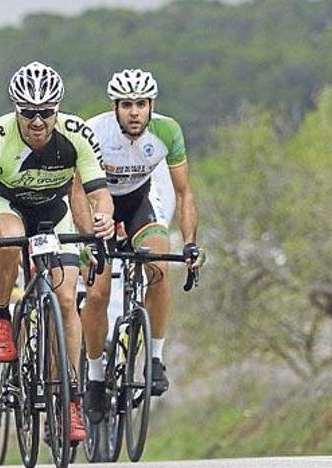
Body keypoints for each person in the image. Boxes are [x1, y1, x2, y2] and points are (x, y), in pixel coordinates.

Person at [0, 61, 115, 442]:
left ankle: (69, 400)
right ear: (17, 110)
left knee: (66, 300)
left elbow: (99, 194)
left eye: (46, 112)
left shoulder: (76, 134)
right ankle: (1, 314)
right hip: (9, 206)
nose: (37, 121)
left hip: (54, 211)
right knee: (11, 238)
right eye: (28, 113)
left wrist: (101, 220)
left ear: (57, 110)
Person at [72, 69, 207, 423]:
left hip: (139, 204)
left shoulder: (167, 131)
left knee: (160, 267)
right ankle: (97, 377)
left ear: (152, 106)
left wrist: (190, 243)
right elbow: (76, 190)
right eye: (127, 104)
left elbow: (183, 193)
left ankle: (155, 359)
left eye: (141, 105)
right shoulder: (94, 133)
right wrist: (89, 238)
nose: (134, 112)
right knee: (98, 293)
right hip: (98, 205)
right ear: (114, 107)